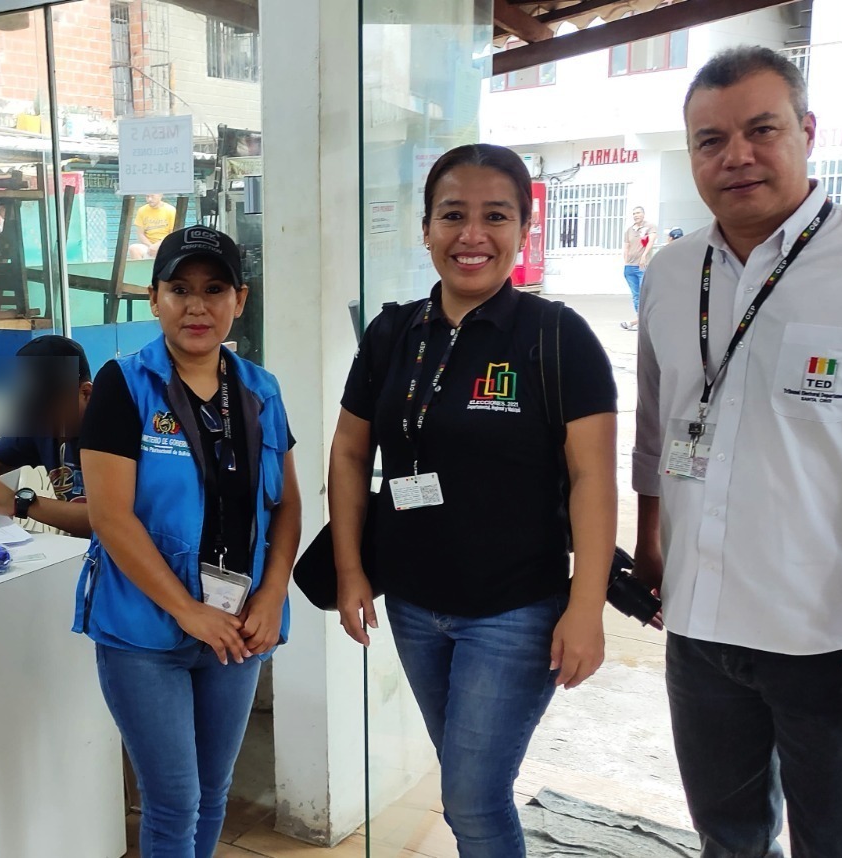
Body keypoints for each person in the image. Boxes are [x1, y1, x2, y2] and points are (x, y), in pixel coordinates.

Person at [632, 46, 842, 858]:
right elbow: (655, 430)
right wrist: (649, 546)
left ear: (808, 132)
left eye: (762, 130)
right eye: (711, 140)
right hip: (700, 630)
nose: (736, 156)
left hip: (837, 639)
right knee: (727, 839)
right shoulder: (672, 272)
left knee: (841, 848)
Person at [330, 143, 618, 858]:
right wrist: (350, 570)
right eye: (453, 215)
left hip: (516, 608)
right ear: (426, 227)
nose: (472, 235)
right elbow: (349, 453)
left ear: (523, 227)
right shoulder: (392, 334)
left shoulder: (557, 338)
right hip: (414, 603)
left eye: (496, 216)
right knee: (467, 785)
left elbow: (594, 478)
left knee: (472, 795)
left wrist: (586, 607)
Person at [74, 225, 301, 857]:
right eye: (179, 289)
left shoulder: (261, 390)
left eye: (215, 289)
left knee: (213, 792)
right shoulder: (123, 385)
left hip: (238, 628)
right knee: (174, 801)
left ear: (240, 300)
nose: (196, 306)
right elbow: (111, 517)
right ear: (154, 299)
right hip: (144, 631)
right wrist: (187, 610)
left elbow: (285, 504)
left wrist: (272, 595)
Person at [0, 335, 94, 537]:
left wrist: (20, 502)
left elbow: (109, 520)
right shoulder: (39, 429)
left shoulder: (119, 433)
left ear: (86, 393)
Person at [621, 206, 658, 330]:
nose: (636, 215)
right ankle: (640, 320)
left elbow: (650, 242)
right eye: (634, 213)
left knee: (644, 294)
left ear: (643, 214)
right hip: (630, 267)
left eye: (638, 213)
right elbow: (626, 246)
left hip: (642, 266)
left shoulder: (650, 227)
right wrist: (626, 261)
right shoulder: (629, 230)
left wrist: (644, 256)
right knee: (636, 295)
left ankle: (645, 320)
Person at [128, 193, 177, 260]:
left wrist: (158, 246)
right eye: (147, 196)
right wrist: (151, 247)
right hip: (149, 246)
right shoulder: (142, 210)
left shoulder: (170, 210)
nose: (149, 199)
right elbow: (140, 234)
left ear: (160, 195)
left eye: (152, 196)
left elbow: (172, 234)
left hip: (165, 245)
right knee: (133, 249)